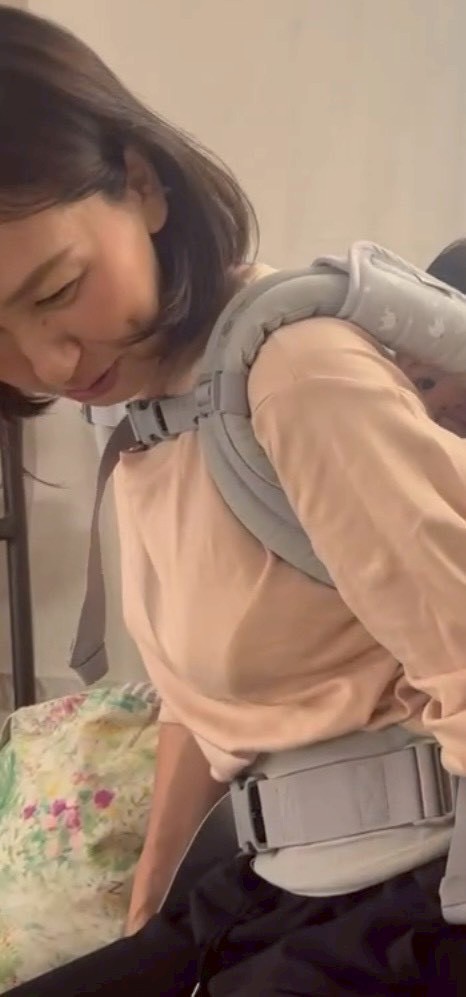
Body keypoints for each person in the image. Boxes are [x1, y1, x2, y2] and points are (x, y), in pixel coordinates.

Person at [2, 7, 466, 996]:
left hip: (408, 896)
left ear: (142, 183)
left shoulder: (293, 379)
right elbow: (201, 711)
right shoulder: (145, 420)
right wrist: (149, 915)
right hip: (270, 880)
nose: (47, 362)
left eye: (56, 290)